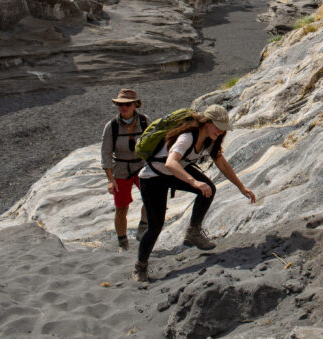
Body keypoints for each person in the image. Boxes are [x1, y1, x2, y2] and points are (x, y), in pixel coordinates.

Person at [133, 104, 256, 283]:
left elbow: (222, 164)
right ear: (207, 122)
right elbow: (170, 163)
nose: (221, 132)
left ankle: (193, 232)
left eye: (223, 129)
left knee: (209, 189)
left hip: (174, 173)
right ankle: (140, 267)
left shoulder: (210, 139)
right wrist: (193, 182)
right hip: (153, 178)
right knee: (155, 226)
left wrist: (241, 187)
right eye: (218, 127)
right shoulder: (186, 137)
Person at [100, 88, 150, 251]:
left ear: (135, 104)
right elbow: (106, 152)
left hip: (142, 166)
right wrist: (110, 179)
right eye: (120, 104)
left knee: (152, 199)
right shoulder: (111, 126)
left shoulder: (144, 121)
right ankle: (123, 242)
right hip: (121, 169)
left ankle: (143, 226)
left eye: (127, 104)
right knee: (121, 208)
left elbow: (154, 143)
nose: (124, 107)